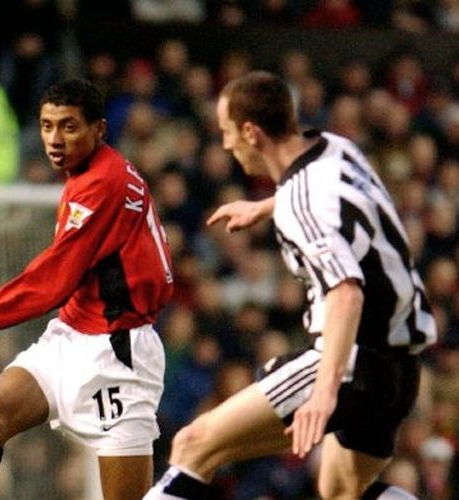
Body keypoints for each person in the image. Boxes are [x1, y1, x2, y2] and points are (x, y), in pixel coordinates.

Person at [145, 70, 437, 499]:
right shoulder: (336, 148)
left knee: (193, 445)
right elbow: (330, 199)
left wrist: (323, 392)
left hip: (348, 364)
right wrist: (264, 206)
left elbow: (346, 293)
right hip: (399, 370)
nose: (225, 144)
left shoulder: (302, 204)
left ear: (251, 132)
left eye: (227, 132)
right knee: (344, 490)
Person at [0, 78, 174, 500]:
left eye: (69, 127)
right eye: (46, 126)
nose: (54, 139)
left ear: (99, 130)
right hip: (71, 334)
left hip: (117, 353)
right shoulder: (93, 172)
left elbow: (53, 280)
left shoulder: (101, 183)